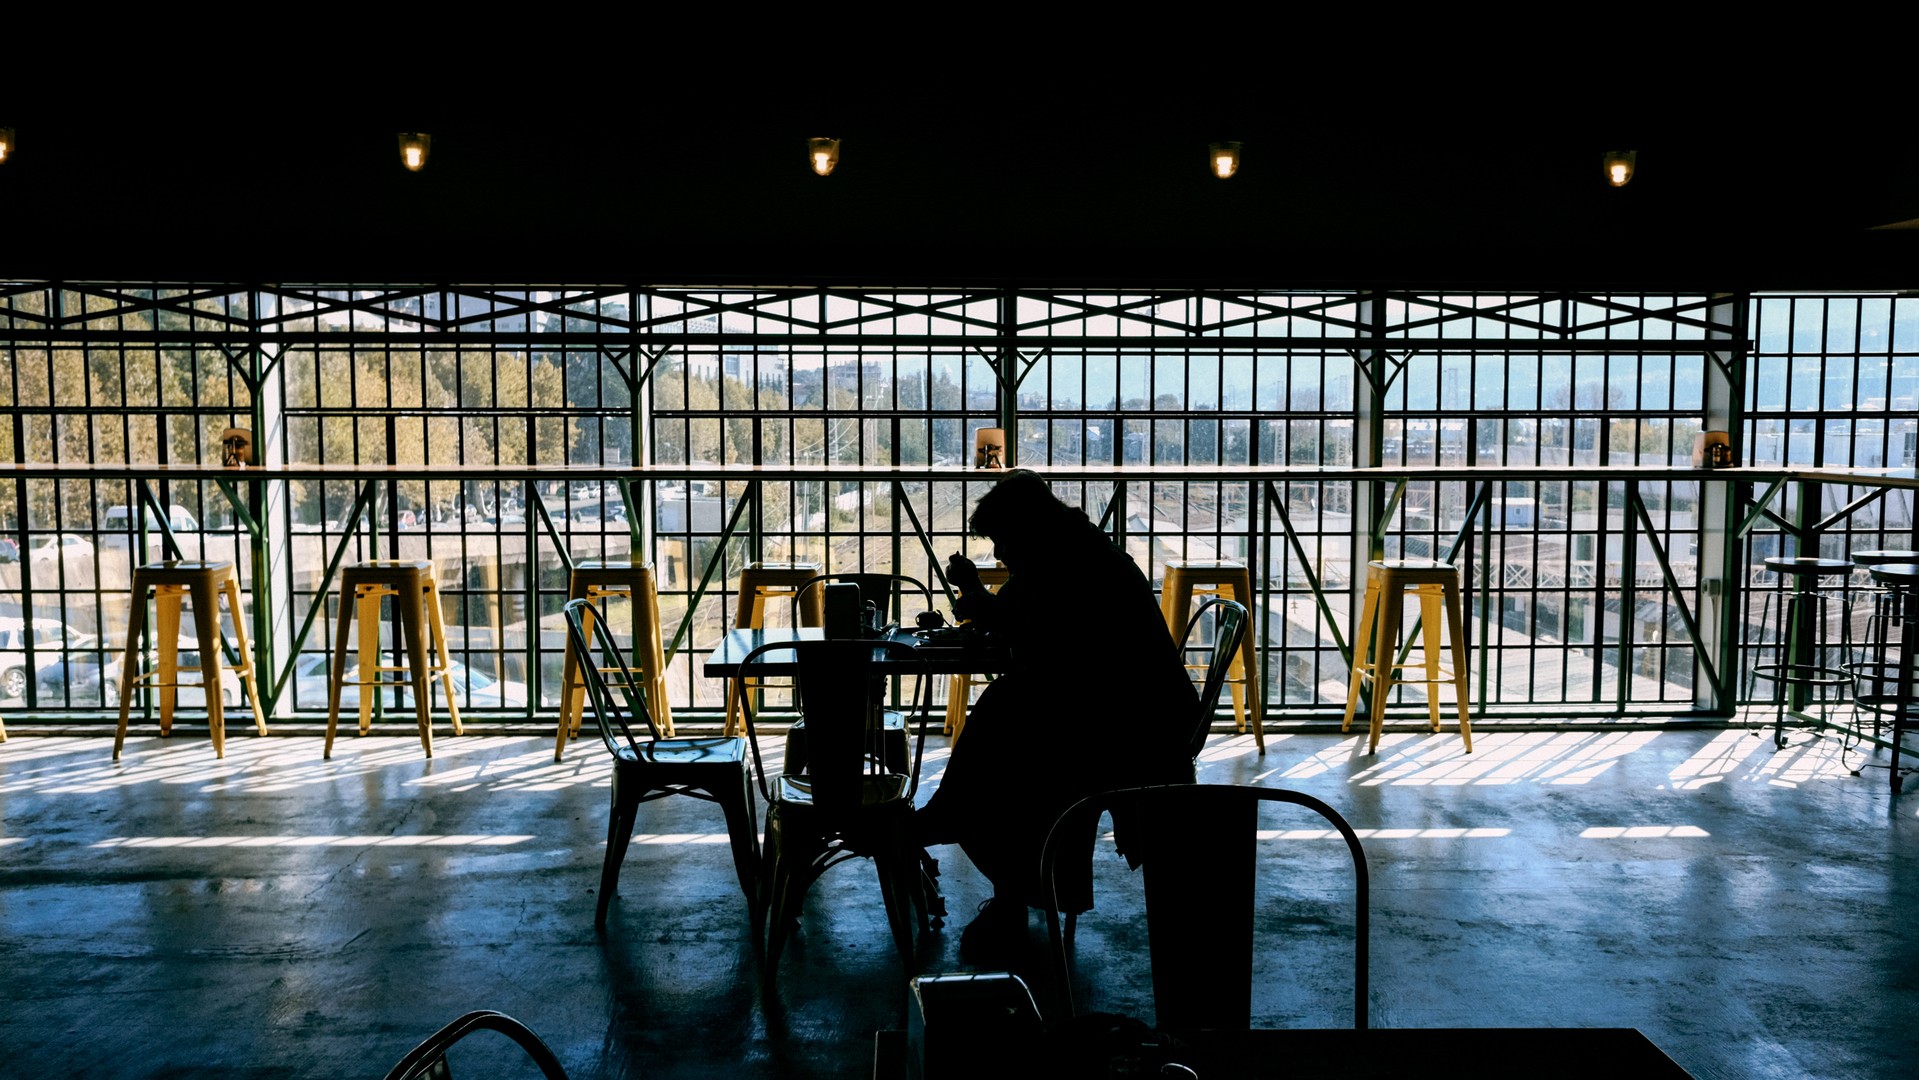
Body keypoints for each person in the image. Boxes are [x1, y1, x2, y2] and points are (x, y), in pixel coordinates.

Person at [915, 469, 1198, 964]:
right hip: (1137, 718)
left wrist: (978, 597)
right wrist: (980, 595)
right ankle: (998, 869)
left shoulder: (1066, 567)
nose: (1000, 552)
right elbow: (1037, 632)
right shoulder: (1076, 555)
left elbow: (1037, 640)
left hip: (1131, 734)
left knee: (1011, 742)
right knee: (1007, 720)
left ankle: (969, 840)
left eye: (1002, 539)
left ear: (1025, 530)